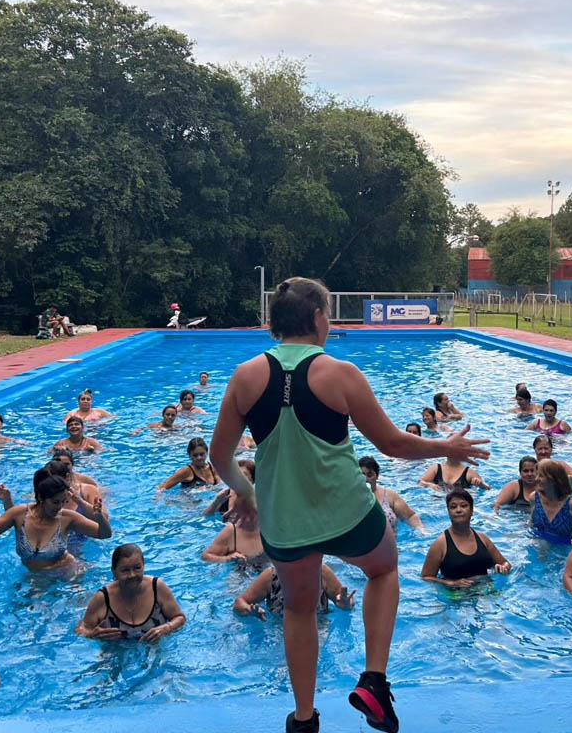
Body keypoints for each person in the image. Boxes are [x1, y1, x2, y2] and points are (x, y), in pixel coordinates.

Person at [209, 276, 489, 733]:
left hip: (284, 521)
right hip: (348, 512)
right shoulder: (339, 374)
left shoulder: (245, 377)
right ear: (319, 317)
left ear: (274, 323)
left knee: (299, 608)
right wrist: (447, 448)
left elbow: (221, 456)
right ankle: (373, 680)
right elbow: (393, 444)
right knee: (383, 568)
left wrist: (247, 492)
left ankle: (304, 719)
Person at [0, 469, 111, 572]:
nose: (60, 507)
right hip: (35, 577)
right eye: (55, 502)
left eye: (63, 502)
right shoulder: (19, 514)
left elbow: (104, 534)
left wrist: (99, 517)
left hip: (66, 572)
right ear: (41, 497)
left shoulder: (67, 517)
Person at [76, 543, 186, 641]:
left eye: (137, 568)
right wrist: (92, 634)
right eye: (125, 570)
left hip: (154, 647)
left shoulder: (156, 587)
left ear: (143, 566)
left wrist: (167, 628)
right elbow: (81, 629)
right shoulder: (103, 598)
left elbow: (180, 618)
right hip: (115, 650)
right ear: (114, 572)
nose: (132, 575)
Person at [421, 489, 511, 587]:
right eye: (453, 507)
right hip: (455, 594)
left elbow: (505, 563)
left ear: (471, 511)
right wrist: (451, 583)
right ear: (448, 512)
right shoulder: (441, 544)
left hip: (486, 590)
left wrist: (503, 568)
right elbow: (426, 577)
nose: (458, 510)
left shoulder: (482, 539)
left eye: (463, 506)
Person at [234, 563, 356, 621]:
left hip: (319, 625)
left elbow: (346, 602)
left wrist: (346, 604)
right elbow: (240, 602)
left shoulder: (322, 572)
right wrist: (248, 610)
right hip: (279, 628)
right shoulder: (271, 576)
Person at [529, 460, 572, 545]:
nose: (536, 479)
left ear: (554, 479)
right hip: (537, 547)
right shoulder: (534, 498)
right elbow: (531, 525)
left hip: (562, 550)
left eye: (541, 476)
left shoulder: (571, 504)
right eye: (537, 475)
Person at [359, 456, 425, 533]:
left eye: (370, 475)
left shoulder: (389, 496)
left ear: (377, 476)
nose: (366, 479)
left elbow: (410, 516)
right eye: (362, 475)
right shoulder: (352, 498)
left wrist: (422, 531)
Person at [419, 455, 491, 492]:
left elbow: (488, 488)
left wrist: (480, 484)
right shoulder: (436, 469)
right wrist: (430, 485)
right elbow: (420, 482)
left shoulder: (469, 472)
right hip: (438, 502)